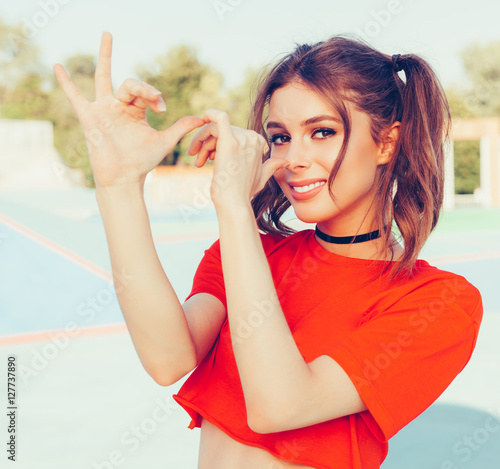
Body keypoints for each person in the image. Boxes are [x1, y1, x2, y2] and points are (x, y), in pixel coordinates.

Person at [54, 32, 483, 469]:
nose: (294, 158)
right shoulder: (247, 254)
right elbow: (168, 359)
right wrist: (119, 184)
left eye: (321, 132)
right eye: (280, 136)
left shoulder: (438, 302)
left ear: (387, 143)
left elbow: (279, 406)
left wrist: (235, 209)